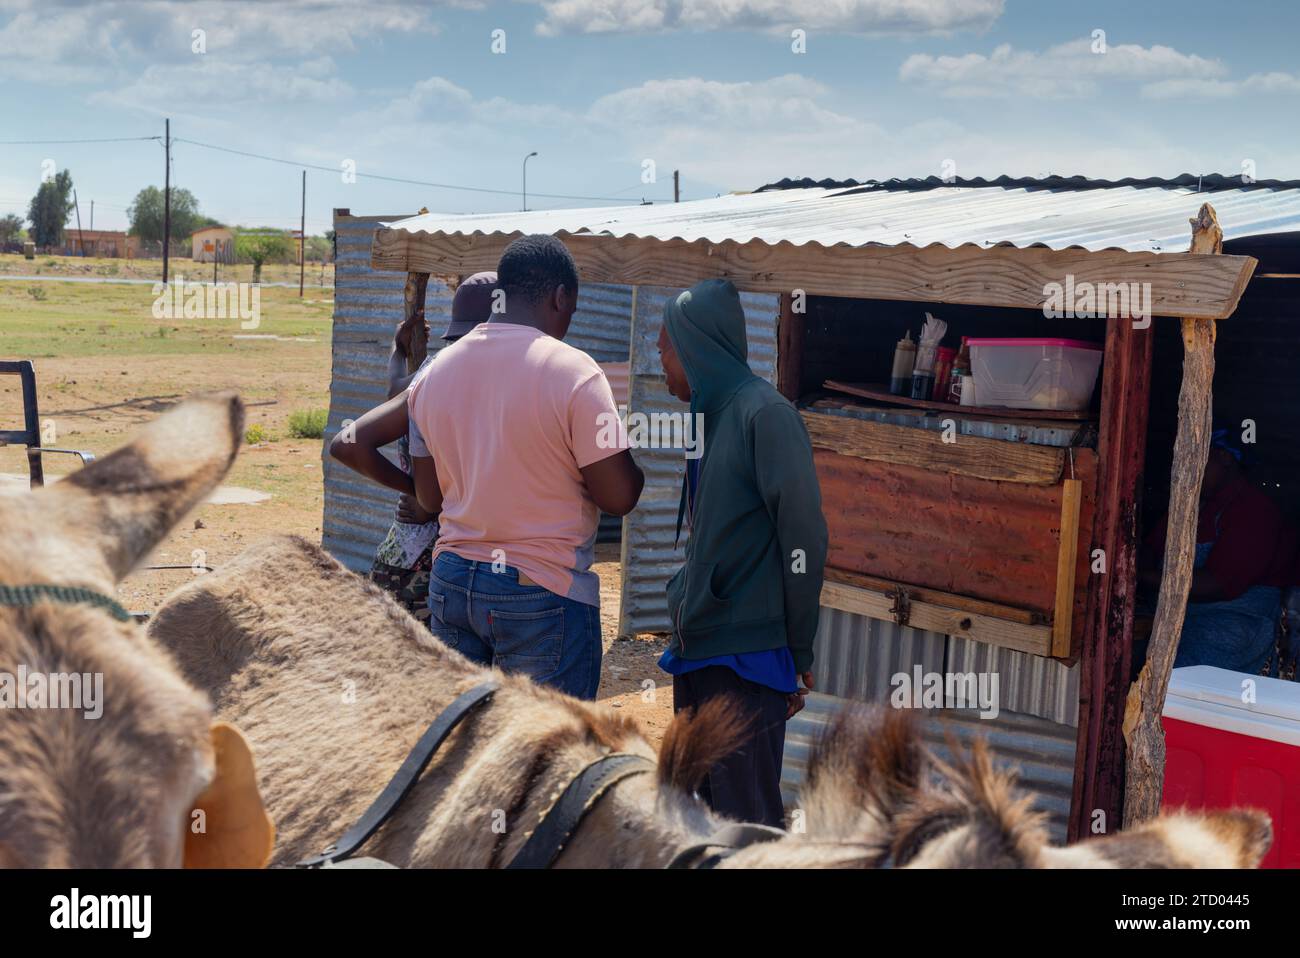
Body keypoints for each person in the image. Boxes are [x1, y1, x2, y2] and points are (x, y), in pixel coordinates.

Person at [407, 234, 644, 699]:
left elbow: (429, 498)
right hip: (541, 592)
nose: (568, 323)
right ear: (561, 297)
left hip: (453, 583)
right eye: (571, 310)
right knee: (545, 759)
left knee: (463, 747)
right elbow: (619, 495)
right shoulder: (574, 372)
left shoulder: (434, 372)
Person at [655, 278, 828, 827]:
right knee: (696, 820)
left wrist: (796, 653)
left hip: (746, 660)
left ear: (693, 347)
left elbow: (804, 541)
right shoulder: (706, 417)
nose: (658, 360)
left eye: (663, 347)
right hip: (701, 649)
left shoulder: (765, 414)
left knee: (746, 825)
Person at [330, 273, 498, 625]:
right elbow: (349, 445)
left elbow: (396, 392)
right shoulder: (465, 373)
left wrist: (398, 348)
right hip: (427, 563)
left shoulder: (437, 367)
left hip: (408, 555)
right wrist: (422, 496)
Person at [1140, 429, 1294, 675]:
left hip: (1232, 621)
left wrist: (1144, 577)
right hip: (1180, 616)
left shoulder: (1253, 509)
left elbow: (1221, 584)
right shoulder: (1192, 504)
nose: (1186, 467)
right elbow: (1151, 547)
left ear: (1224, 458)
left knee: (1178, 680)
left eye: (1197, 457)